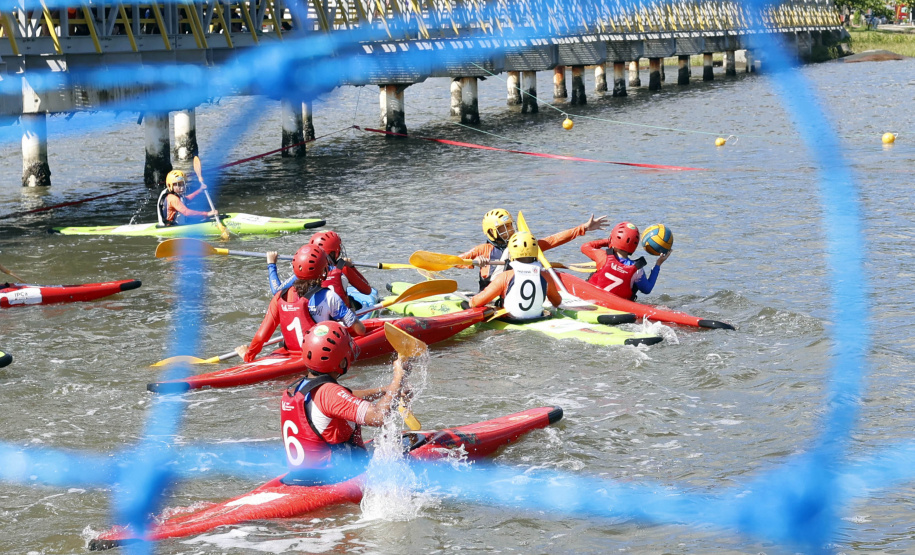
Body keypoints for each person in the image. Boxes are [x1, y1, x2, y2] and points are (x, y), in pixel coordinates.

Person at [280, 321, 406, 485]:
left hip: (302, 477)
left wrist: (387, 390)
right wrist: (398, 376)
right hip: (334, 480)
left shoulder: (302, 387)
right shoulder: (329, 393)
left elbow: (346, 398)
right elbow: (379, 416)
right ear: (341, 362)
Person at [237, 244, 367, 363]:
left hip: (292, 354)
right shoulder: (329, 296)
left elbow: (261, 336)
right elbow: (360, 330)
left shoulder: (279, 296)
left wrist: (248, 356)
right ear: (323, 270)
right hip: (320, 356)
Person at [459, 209, 609, 290]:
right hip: (492, 298)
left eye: (510, 226)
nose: (510, 231)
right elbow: (456, 261)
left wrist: (583, 228)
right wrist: (474, 262)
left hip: (518, 294)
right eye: (504, 228)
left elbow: (553, 240)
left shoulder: (524, 245)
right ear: (492, 233)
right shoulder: (483, 250)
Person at [468, 231, 562, 320]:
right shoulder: (546, 275)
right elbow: (557, 302)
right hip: (537, 319)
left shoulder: (505, 277)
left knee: (465, 304)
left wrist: (470, 301)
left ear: (511, 253)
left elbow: (476, 303)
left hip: (511, 321)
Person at [267, 231, 373, 310]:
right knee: (354, 302)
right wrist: (351, 267)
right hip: (341, 318)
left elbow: (276, 291)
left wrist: (271, 264)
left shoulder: (303, 272)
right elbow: (367, 290)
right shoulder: (343, 268)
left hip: (314, 319)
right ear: (333, 253)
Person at [580, 222, 671, 301]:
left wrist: (609, 241)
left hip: (591, 298)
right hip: (619, 307)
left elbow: (585, 247)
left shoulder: (603, 256)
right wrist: (658, 264)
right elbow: (647, 289)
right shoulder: (637, 270)